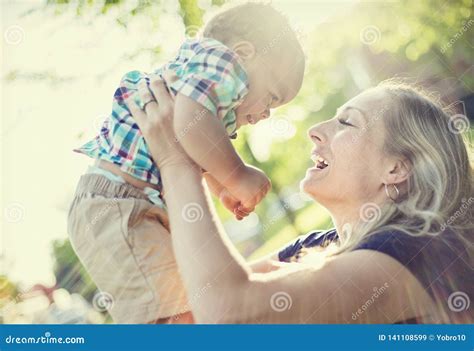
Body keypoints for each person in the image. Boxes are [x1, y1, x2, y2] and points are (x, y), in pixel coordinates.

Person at [127, 77, 473, 324]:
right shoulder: (317, 247)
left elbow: (228, 314)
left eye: (346, 123)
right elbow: (190, 313)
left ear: (396, 168)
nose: (316, 129)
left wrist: (177, 164)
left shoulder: (420, 251)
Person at [68, 3, 305, 323]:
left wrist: (221, 187)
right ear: (244, 53)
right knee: (171, 313)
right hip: (116, 204)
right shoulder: (223, 63)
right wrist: (237, 174)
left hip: (128, 200)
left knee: (185, 298)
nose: (266, 113)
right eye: (273, 97)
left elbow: (196, 145)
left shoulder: (204, 87)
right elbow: (190, 119)